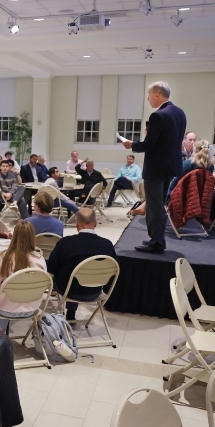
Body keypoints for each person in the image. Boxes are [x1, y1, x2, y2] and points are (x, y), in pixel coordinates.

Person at [122, 81, 187, 254]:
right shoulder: (179, 113)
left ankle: (156, 242)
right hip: (171, 166)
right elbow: (167, 140)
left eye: (149, 95)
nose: (148, 98)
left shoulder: (157, 116)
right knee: (159, 204)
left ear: (157, 95)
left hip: (156, 167)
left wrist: (131, 145)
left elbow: (149, 145)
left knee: (154, 206)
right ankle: (157, 239)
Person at [47, 209, 116, 321]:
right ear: (96, 223)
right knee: (73, 273)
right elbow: (114, 271)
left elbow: (51, 268)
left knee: (68, 273)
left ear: (77, 223)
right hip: (95, 291)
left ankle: (70, 311)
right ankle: (71, 312)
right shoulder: (107, 245)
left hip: (67, 290)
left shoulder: (65, 243)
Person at [0, 221, 45, 324]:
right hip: (32, 308)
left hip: (5, 309)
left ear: (13, 236)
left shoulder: (4, 258)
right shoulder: (40, 259)